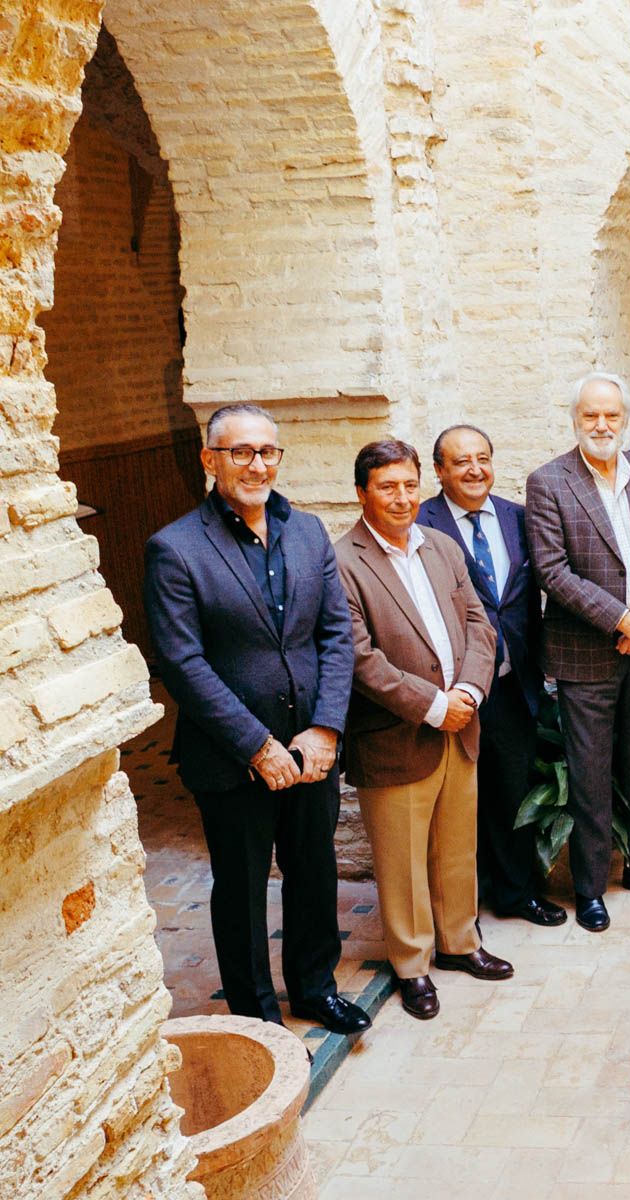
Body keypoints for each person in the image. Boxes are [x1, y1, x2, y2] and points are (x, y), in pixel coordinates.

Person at [142, 404, 370, 1035]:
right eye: (240, 452)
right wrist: (257, 745)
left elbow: (334, 634)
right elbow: (182, 664)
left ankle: (315, 989)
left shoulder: (307, 533)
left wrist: (325, 728)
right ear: (209, 459)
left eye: (268, 451)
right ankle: (256, 1017)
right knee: (241, 892)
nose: (257, 464)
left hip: (311, 748)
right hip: (231, 756)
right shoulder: (176, 548)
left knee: (312, 871)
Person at [335, 439, 509, 1021]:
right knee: (402, 859)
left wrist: (469, 692)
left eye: (410, 485)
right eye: (388, 487)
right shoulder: (344, 562)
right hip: (397, 734)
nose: (402, 497)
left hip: (460, 723)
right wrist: (434, 705)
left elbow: (480, 624)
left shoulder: (440, 546)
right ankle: (412, 965)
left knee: (456, 847)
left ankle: (460, 942)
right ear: (362, 493)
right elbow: (360, 659)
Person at [525, 373, 630, 933]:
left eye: (612, 416)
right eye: (591, 416)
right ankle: (591, 886)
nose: (602, 425)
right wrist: (621, 619)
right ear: (575, 419)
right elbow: (552, 571)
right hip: (585, 655)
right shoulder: (548, 482)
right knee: (590, 776)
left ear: (626, 420)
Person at [418, 425, 563, 928]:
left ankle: (515, 893)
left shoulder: (518, 517)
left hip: (514, 680)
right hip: (453, 687)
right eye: (461, 462)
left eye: (483, 458)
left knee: (511, 789)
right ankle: (459, 906)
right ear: (439, 471)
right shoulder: (420, 524)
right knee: (454, 801)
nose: (475, 469)